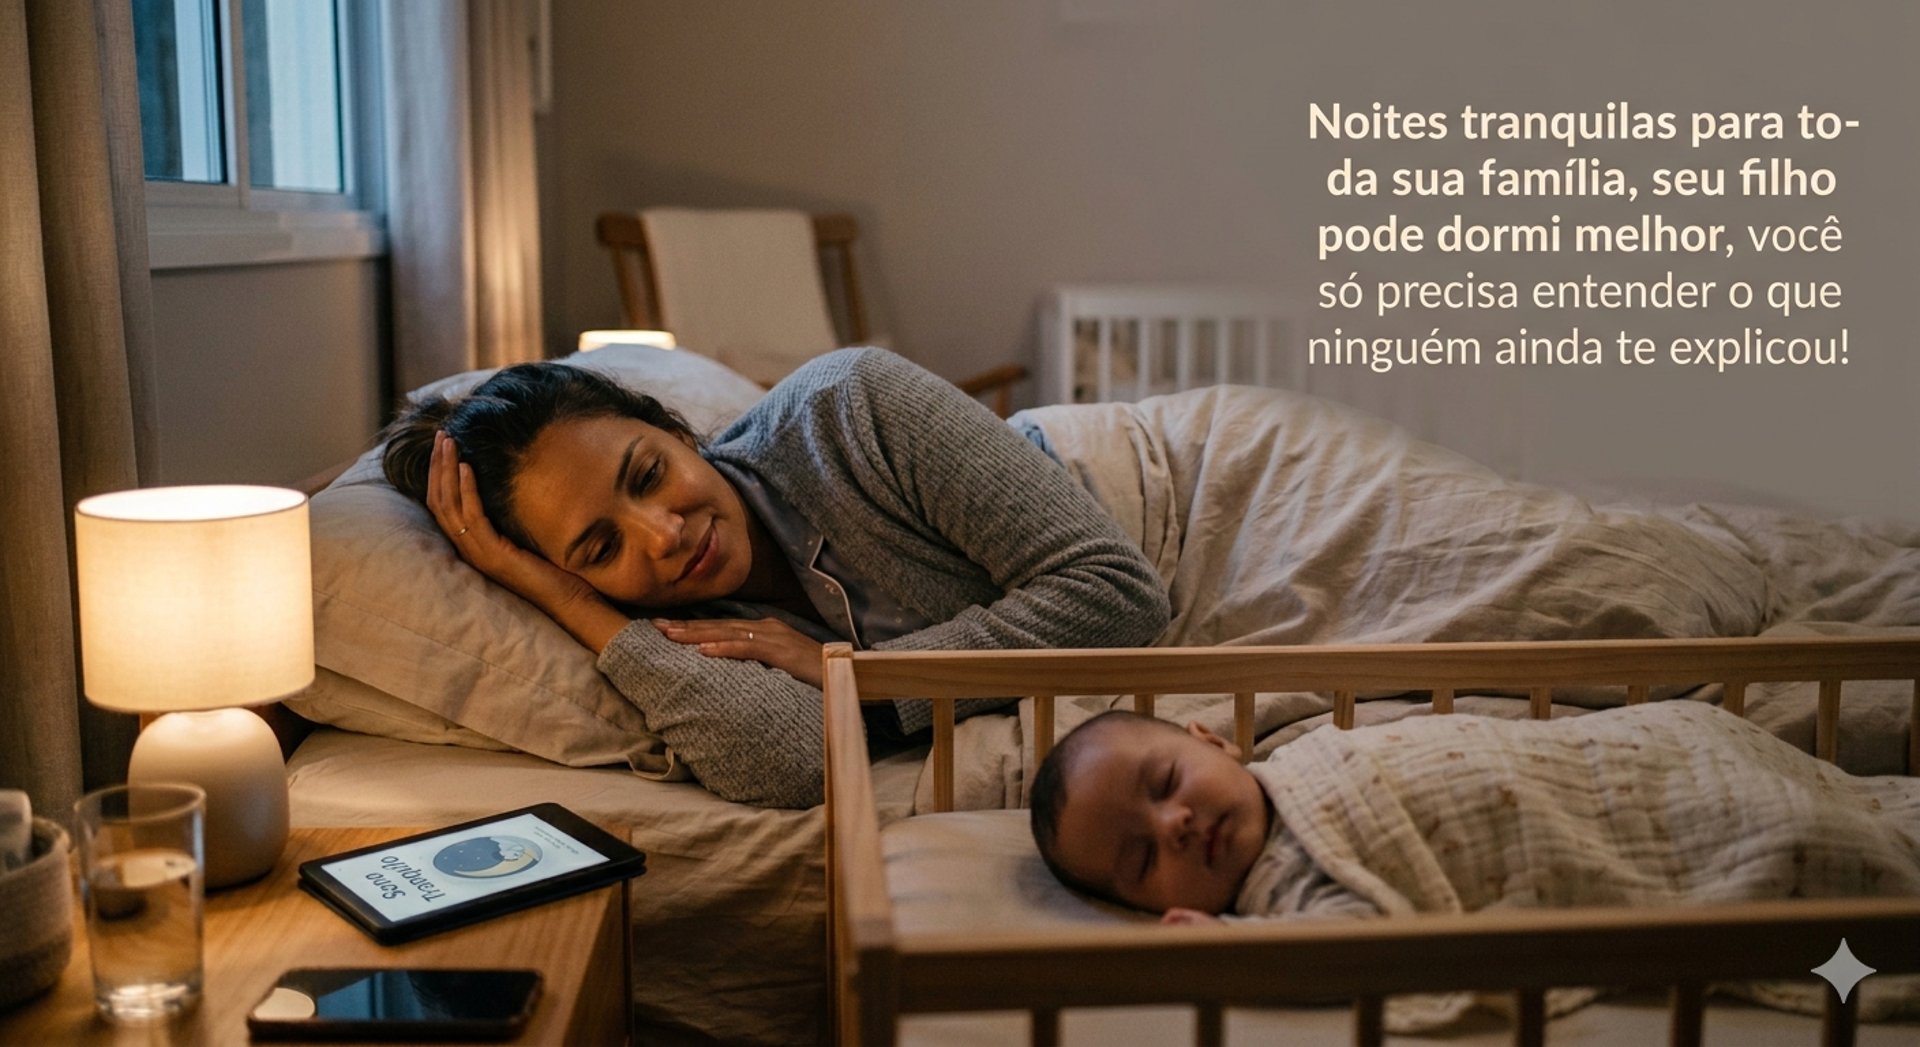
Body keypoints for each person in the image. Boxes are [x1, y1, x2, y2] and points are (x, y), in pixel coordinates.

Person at [381, 347, 1172, 808]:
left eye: (650, 473)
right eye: (598, 548)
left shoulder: (851, 407)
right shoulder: (678, 628)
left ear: (675, 431)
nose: (662, 535)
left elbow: (1115, 591)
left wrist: (859, 680)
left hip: (1190, 492)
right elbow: (795, 760)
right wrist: (568, 602)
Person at [1029, 703, 1920, 925]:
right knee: (1809, 842)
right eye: (1143, 861)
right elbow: (1356, 949)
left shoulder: (1307, 754)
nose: (1176, 825)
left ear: (1212, 739)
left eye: (1164, 783)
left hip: (1655, 757)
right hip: (1675, 852)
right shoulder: (1282, 895)